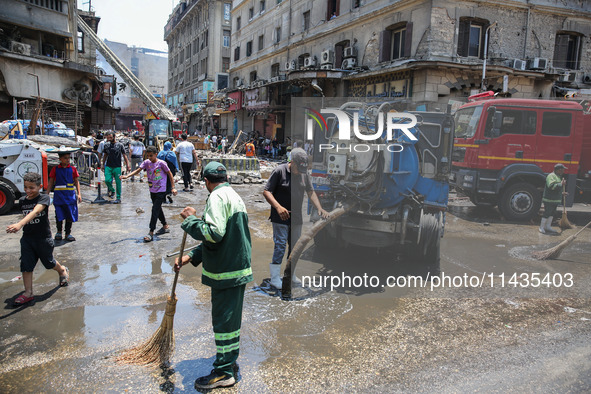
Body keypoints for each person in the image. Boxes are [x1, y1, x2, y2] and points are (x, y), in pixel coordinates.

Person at [174, 162, 252, 390]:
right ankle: (230, 362)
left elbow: (213, 233)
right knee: (230, 321)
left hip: (227, 272)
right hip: (235, 268)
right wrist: (190, 256)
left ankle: (224, 371)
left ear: (206, 182)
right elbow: (224, 237)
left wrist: (189, 220)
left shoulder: (217, 198)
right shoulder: (232, 195)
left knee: (224, 323)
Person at [263, 148, 329, 289]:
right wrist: (278, 207)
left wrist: (319, 208)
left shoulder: (304, 175)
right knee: (280, 245)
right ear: (292, 162)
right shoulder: (279, 171)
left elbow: (310, 192)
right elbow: (266, 191)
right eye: (298, 168)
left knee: (295, 247)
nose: (299, 172)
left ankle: (290, 274)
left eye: (302, 169)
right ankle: (275, 278)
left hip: (296, 217)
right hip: (280, 216)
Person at [6, 172, 69, 305]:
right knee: (26, 265)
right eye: (25, 187)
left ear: (39, 186)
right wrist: (18, 225)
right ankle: (28, 293)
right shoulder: (23, 201)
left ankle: (62, 270)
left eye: (31, 188)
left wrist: (19, 224)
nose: (28, 191)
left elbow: (35, 211)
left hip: (43, 238)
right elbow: (26, 215)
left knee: (48, 262)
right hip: (27, 238)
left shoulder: (44, 198)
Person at [121, 146, 177, 242]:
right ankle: (165, 225)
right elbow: (138, 170)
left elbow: (170, 174)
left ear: (156, 154)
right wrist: (127, 176)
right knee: (157, 208)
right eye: (148, 156)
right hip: (152, 190)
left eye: (151, 155)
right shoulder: (147, 162)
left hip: (161, 190)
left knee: (154, 209)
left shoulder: (161, 163)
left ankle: (151, 232)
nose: (150, 157)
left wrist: (173, 187)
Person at [47, 151, 81, 242]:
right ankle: (59, 232)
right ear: (60, 159)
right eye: (65, 158)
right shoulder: (55, 169)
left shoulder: (73, 169)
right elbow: (51, 181)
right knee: (59, 213)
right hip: (59, 196)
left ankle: (68, 233)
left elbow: (76, 181)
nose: (67, 160)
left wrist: (79, 194)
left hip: (70, 196)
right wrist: (47, 193)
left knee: (70, 214)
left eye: (68, 158)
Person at [101, 131, 130, 203]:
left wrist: (128, 165)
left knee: (118, 182)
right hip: (108, 166)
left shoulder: (120, 145)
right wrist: (102, 164)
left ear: (114, 137)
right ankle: (112, 190)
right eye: (108, 138)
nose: (109, 139)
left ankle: (118, 198)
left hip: (117, 166)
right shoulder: (106, 145)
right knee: (107, 180)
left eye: (110, 137)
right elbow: (105, 155)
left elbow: (124, 155)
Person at [540, 163, 568, 235]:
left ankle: (547, 226)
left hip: (555, 200)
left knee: (552, 213)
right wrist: (561, 184)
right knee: (547, 213)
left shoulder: (558, 177)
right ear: (558, 170)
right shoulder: (551, 176)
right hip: (549, 199)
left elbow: (557, 189)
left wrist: (562, 193)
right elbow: (551, 186)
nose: (563, 171)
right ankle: (541, 227)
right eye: (562, 170)